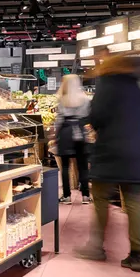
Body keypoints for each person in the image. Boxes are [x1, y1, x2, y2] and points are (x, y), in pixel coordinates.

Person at [77, 53, 140, 272]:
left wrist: (88, 123)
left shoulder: (106, 86)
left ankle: (96, 247)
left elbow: (97, 116)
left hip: (109, 152)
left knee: (100, 200)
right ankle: (136, 256)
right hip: (135, 152)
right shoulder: (138, 90)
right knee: (135, 204)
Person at [53, 74, 91, 204]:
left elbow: (59, 120)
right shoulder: (85, 99)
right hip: (80, 131)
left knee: (65, 166)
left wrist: (55, 135)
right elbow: (88, 116)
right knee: (83, 166)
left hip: (66, 132)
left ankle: (67, 195)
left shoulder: (62, 99)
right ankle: (86, 195)